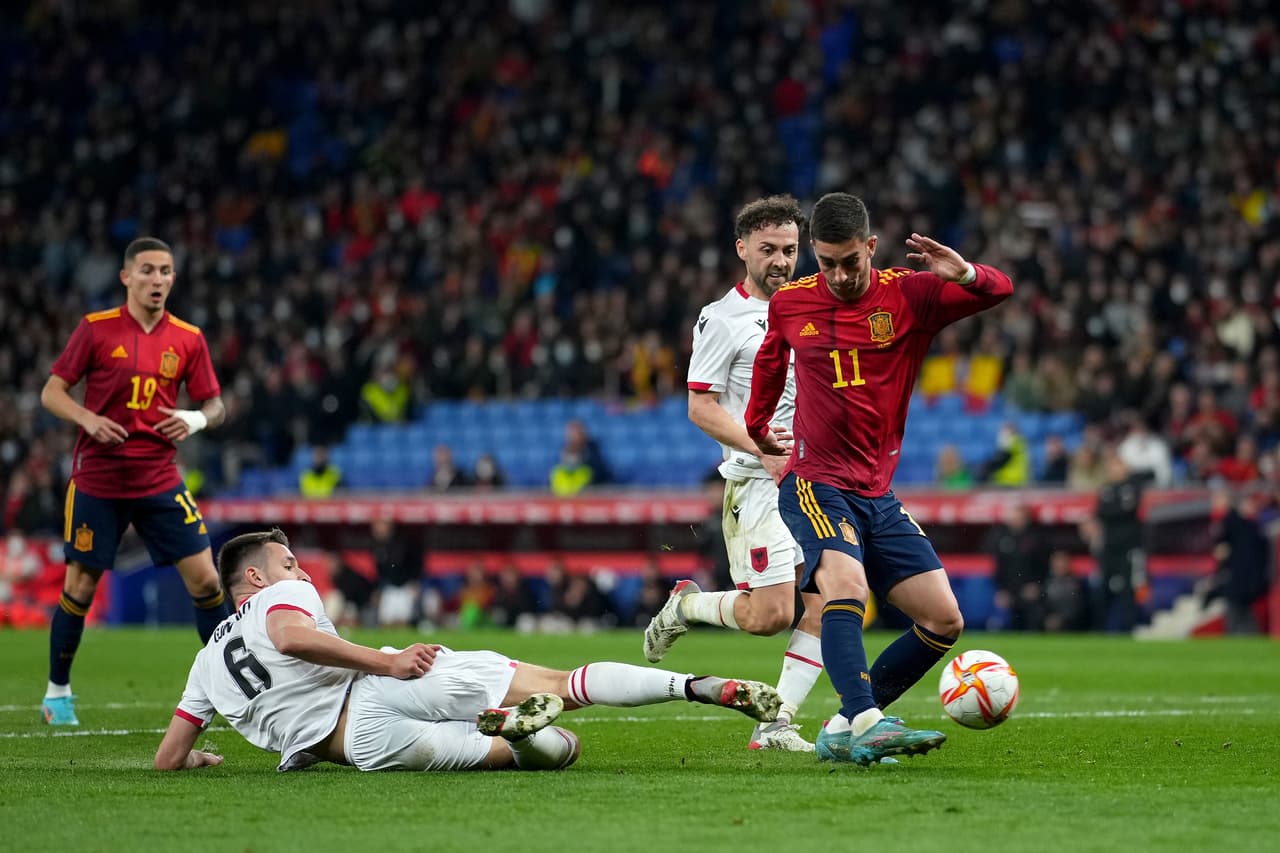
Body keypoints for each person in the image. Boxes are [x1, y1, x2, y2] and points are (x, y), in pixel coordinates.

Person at [153, 529, 781, 773]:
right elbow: (291, 638)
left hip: (357, 749)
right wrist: (387, 660)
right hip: (383, 685)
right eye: (288, 564)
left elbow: (167, 759)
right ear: (256, 580)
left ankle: (520, 733)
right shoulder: (274, 602)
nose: (300, 572)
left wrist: (201, 760)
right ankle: (692, 686)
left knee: (542, 757)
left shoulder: (205, 663)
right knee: (561, 683)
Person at [746, 192, 1012, 766]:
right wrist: (758, 426)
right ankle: (868, 719)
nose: (839, 275)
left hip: (877, 491)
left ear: (871, 247)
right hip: (815, 481)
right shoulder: (791, 304)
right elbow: (771, 361)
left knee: (944, 619)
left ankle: (841, 727)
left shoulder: (909, 295)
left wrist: (963, 272)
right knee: (846, 587)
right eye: (827, 262)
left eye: (851, 261)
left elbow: (999, 289)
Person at [643, 194, 825, 753]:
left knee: (834, 599)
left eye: (790, 250)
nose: (780, 260)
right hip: (758, 480)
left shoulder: (810, 305)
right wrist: (764, 447)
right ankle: (687, 605)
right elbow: (700, 406)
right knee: (771, 615)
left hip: (816, 479)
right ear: (742, 248)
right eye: (768, 249)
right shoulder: (722, 319)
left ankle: (777, 721)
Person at [40, 237, 229, 727]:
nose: (158, 280)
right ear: (127, 277)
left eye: (166, 271)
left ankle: (231, 690)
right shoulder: (96, 330)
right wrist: (87, 419)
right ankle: (57, 693)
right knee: (80, 587)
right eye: (148, 270)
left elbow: (216, 404)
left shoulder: (188, 338)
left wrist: (196, 420)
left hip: (158, 476)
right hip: (99, 478)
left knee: (207, 580)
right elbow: (51, 391)